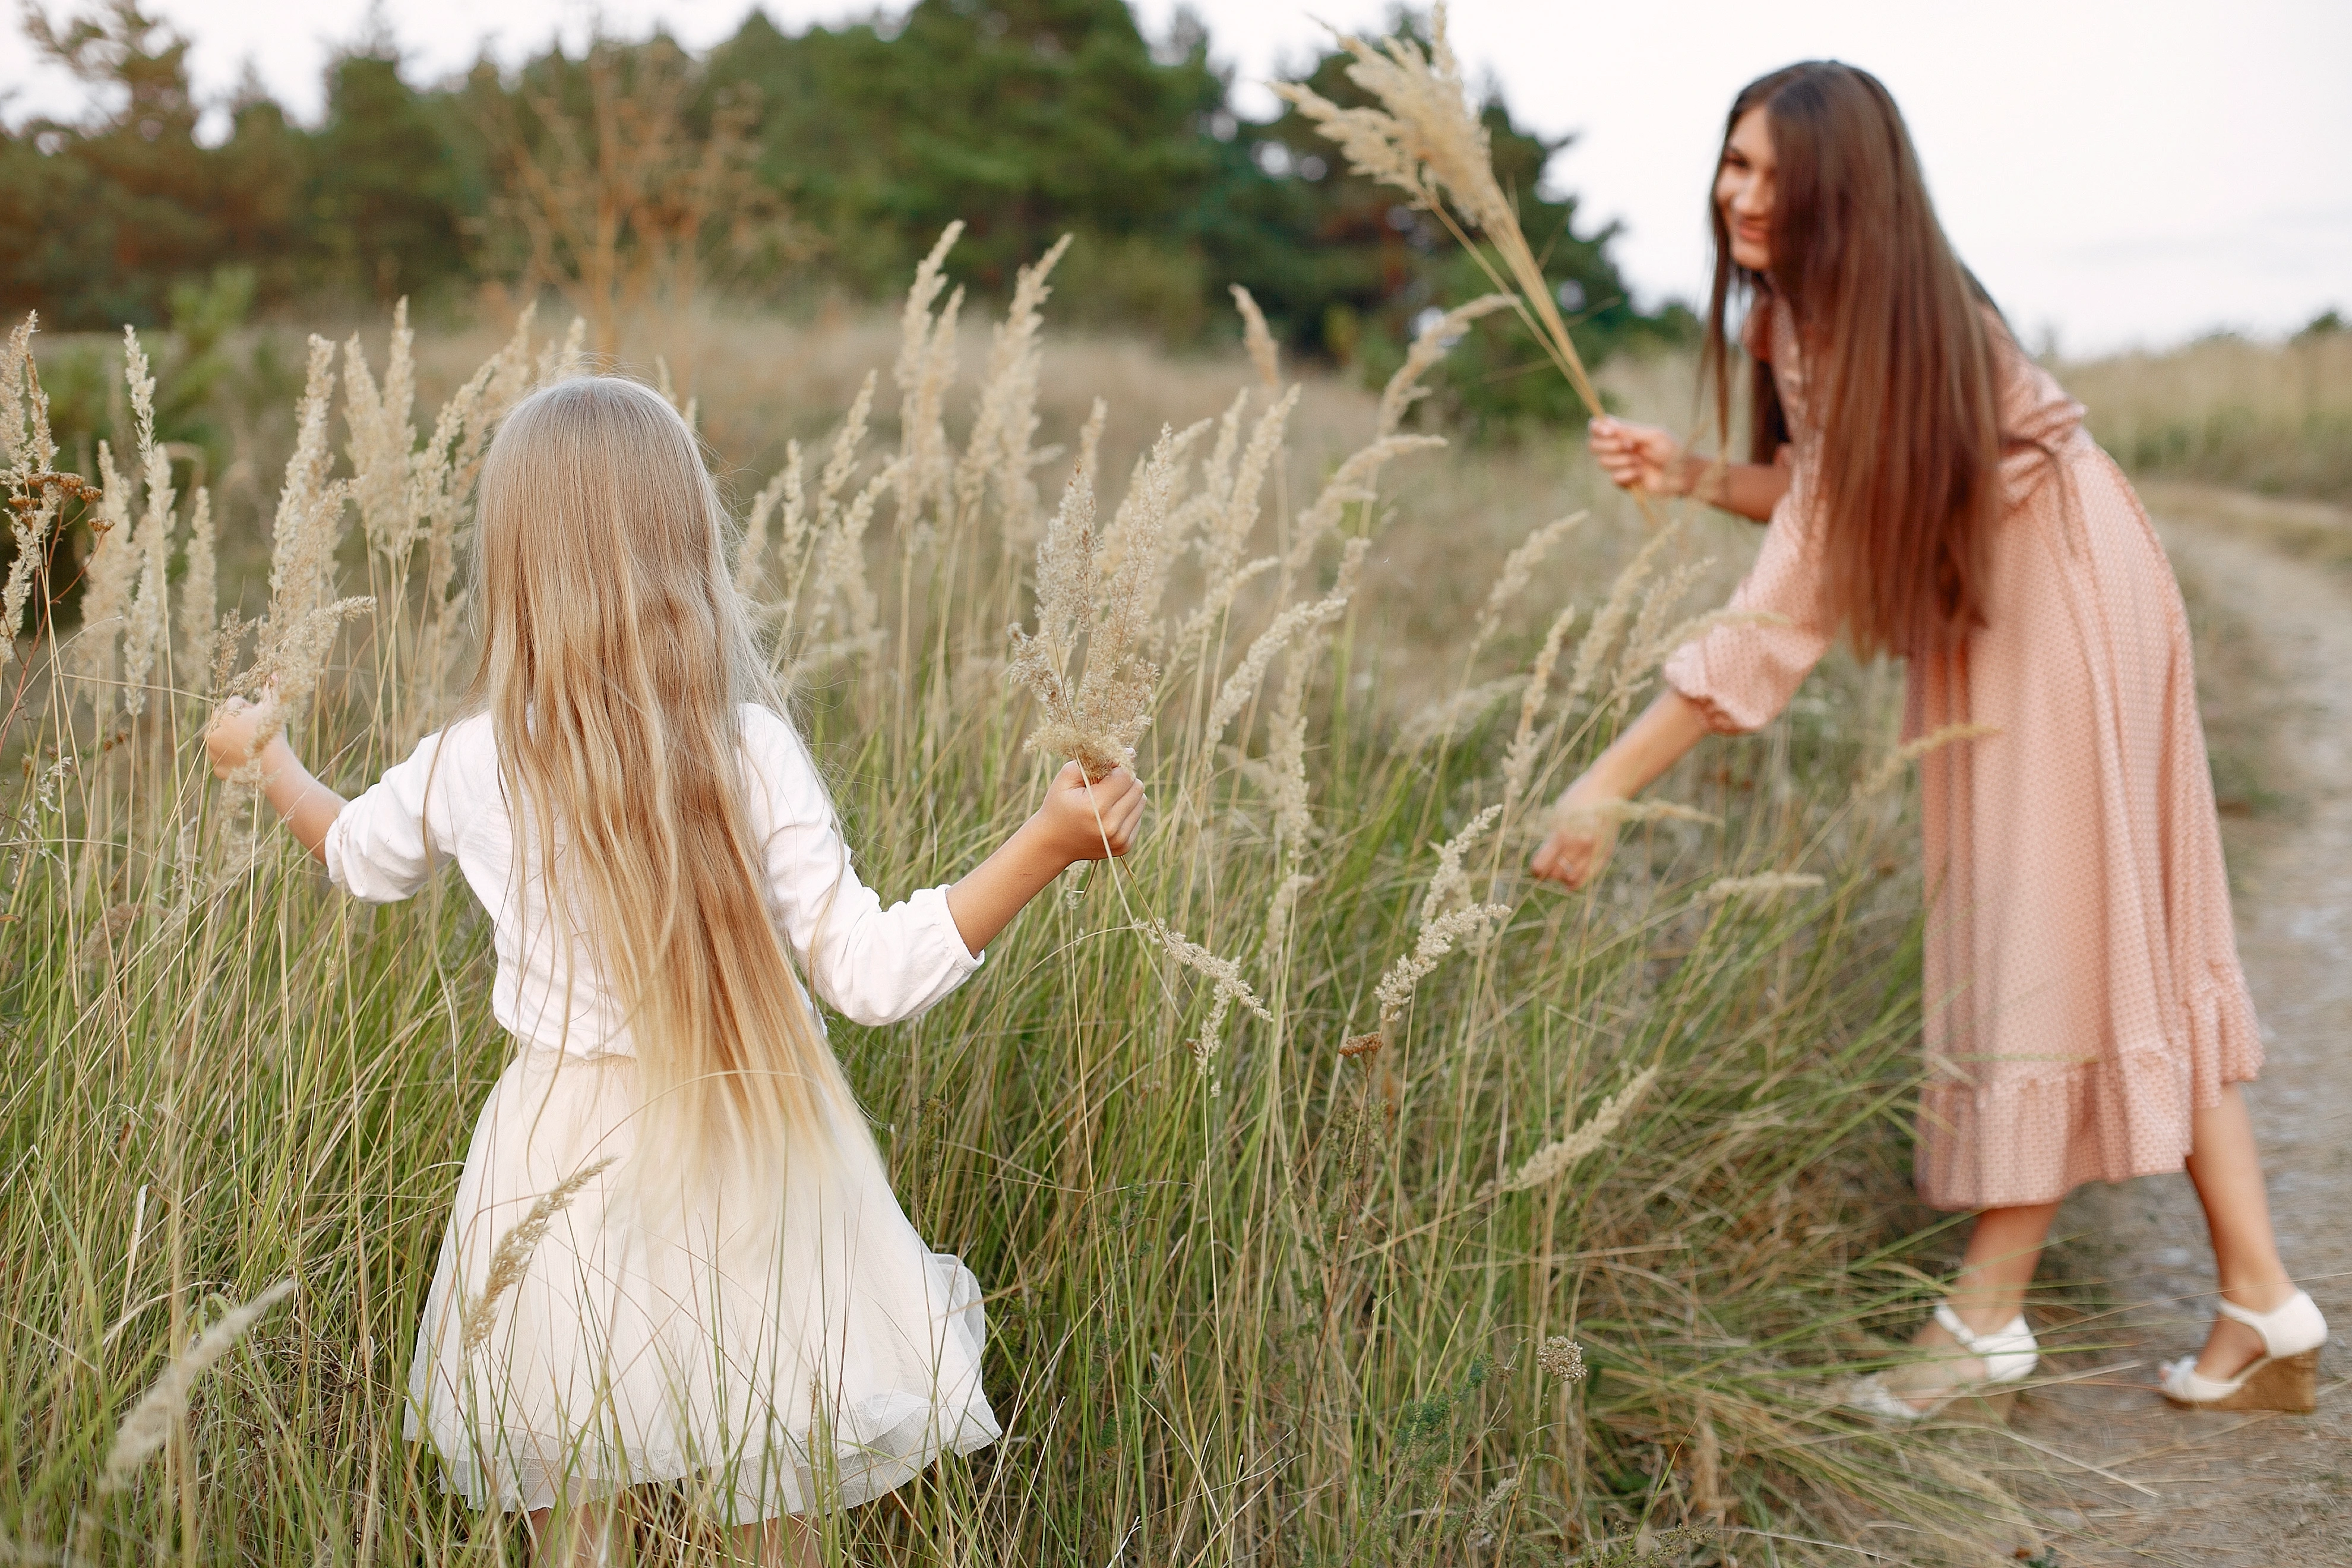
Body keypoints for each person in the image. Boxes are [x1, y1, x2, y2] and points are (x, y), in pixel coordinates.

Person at [205, 377, 1147, 1560]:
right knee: (776, 1506)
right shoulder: (746, 749)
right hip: (752, 1149)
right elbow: (869, 974)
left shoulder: (470, 762)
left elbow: (355, 854)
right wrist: (1046, 845)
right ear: (690, 541)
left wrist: (268, 761)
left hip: (553, 1167)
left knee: (573, 1522)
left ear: (512, 565)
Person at [1529, 61, 2323, 1420]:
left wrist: (1607, 783)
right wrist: (1688, 474)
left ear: (1853, 196)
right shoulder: (1809, 316)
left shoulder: (1871, 321)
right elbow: (1829, 497)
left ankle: (1984, 1321)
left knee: (2046, 944)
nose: (1746, 197)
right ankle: (2262, 1300)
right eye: (1735, 164)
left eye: (1781, 175)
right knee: (2114, 936)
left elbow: (1799, 592)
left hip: (2056, 600)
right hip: (2031, 586)